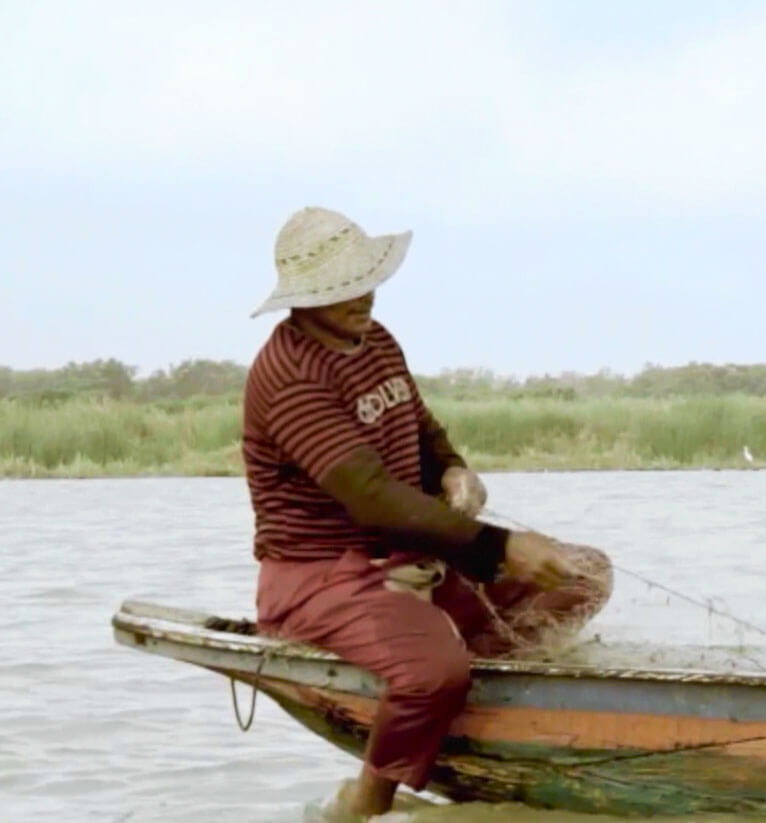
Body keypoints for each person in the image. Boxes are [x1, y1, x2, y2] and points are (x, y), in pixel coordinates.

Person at [241, 206, 614, 819]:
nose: (363, 295)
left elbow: (423, 433)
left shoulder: (377, 341)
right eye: (343, 287)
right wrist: (499, 547)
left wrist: (455, 471)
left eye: (366, 279)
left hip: (415, 555)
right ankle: (367, 799)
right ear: (305, 299)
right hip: (322, 578)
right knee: (434, 672)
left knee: (585, 576)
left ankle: (483, 706)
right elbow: (372, 499)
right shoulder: (288, 376)